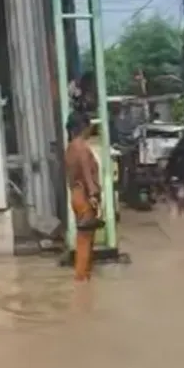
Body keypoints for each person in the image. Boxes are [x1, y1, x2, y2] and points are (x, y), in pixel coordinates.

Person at [64, 111, 102, 282]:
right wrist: (93, 194)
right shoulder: (81, 147)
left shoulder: (70, 148)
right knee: (86, 241)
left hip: (76, 195)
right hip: (85, 196)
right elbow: (87, 172)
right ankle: (82, 280)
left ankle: (83, 277)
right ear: (83, 127)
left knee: (83, 238)